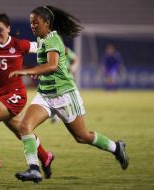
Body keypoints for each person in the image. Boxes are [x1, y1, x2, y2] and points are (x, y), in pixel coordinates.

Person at [9, 5, 129, 183]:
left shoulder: (52, 39)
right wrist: (43, 68)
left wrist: (28, 71)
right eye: (30, 23)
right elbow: (59, 56)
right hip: (45, 95)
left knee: (82, 137)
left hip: (65, 95)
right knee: (25, 127)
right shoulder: (43, 39)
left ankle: (116, 147)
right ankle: (34, 169)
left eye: (36, 23)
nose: (32, 26)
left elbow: (52, 66)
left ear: (47, 23)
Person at [0, 13, 54, 178]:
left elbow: (46, 48)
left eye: (0, 30)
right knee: (22, 132)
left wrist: (42, 66)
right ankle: (46, 157)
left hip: (15, 95)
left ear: (8, 29)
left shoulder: (19, 45)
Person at [51, 46, 79, 124]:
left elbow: (75, 58)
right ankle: (58, 115)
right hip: (57, 79)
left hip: (68, 78)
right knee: (59, 98)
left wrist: (73, 67)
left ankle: (62, 115)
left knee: (71, 99)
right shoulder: (49, 50)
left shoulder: (63, 48)